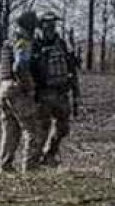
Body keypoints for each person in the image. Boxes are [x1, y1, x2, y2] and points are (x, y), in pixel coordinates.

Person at [0, 11, 47, 172]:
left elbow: (2, 67)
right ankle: (31, 168)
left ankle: (5, 166)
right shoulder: (23, 41)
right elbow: (20, 66)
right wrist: (29, 86)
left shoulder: (9, 41)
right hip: (18, 89)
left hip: (4, 87)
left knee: (11, 129)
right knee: (33, 129)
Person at [33, 13, 80, 167]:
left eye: (53, 23)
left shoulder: (62, 43)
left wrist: (75, 93)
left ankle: (50, 153)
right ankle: (35, 159)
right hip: (44, 92)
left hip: (61, 92)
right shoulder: (36, 44)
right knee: (42, 128)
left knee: (63, 128)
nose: (51, 26)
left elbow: (71, 68)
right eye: (47, 23)